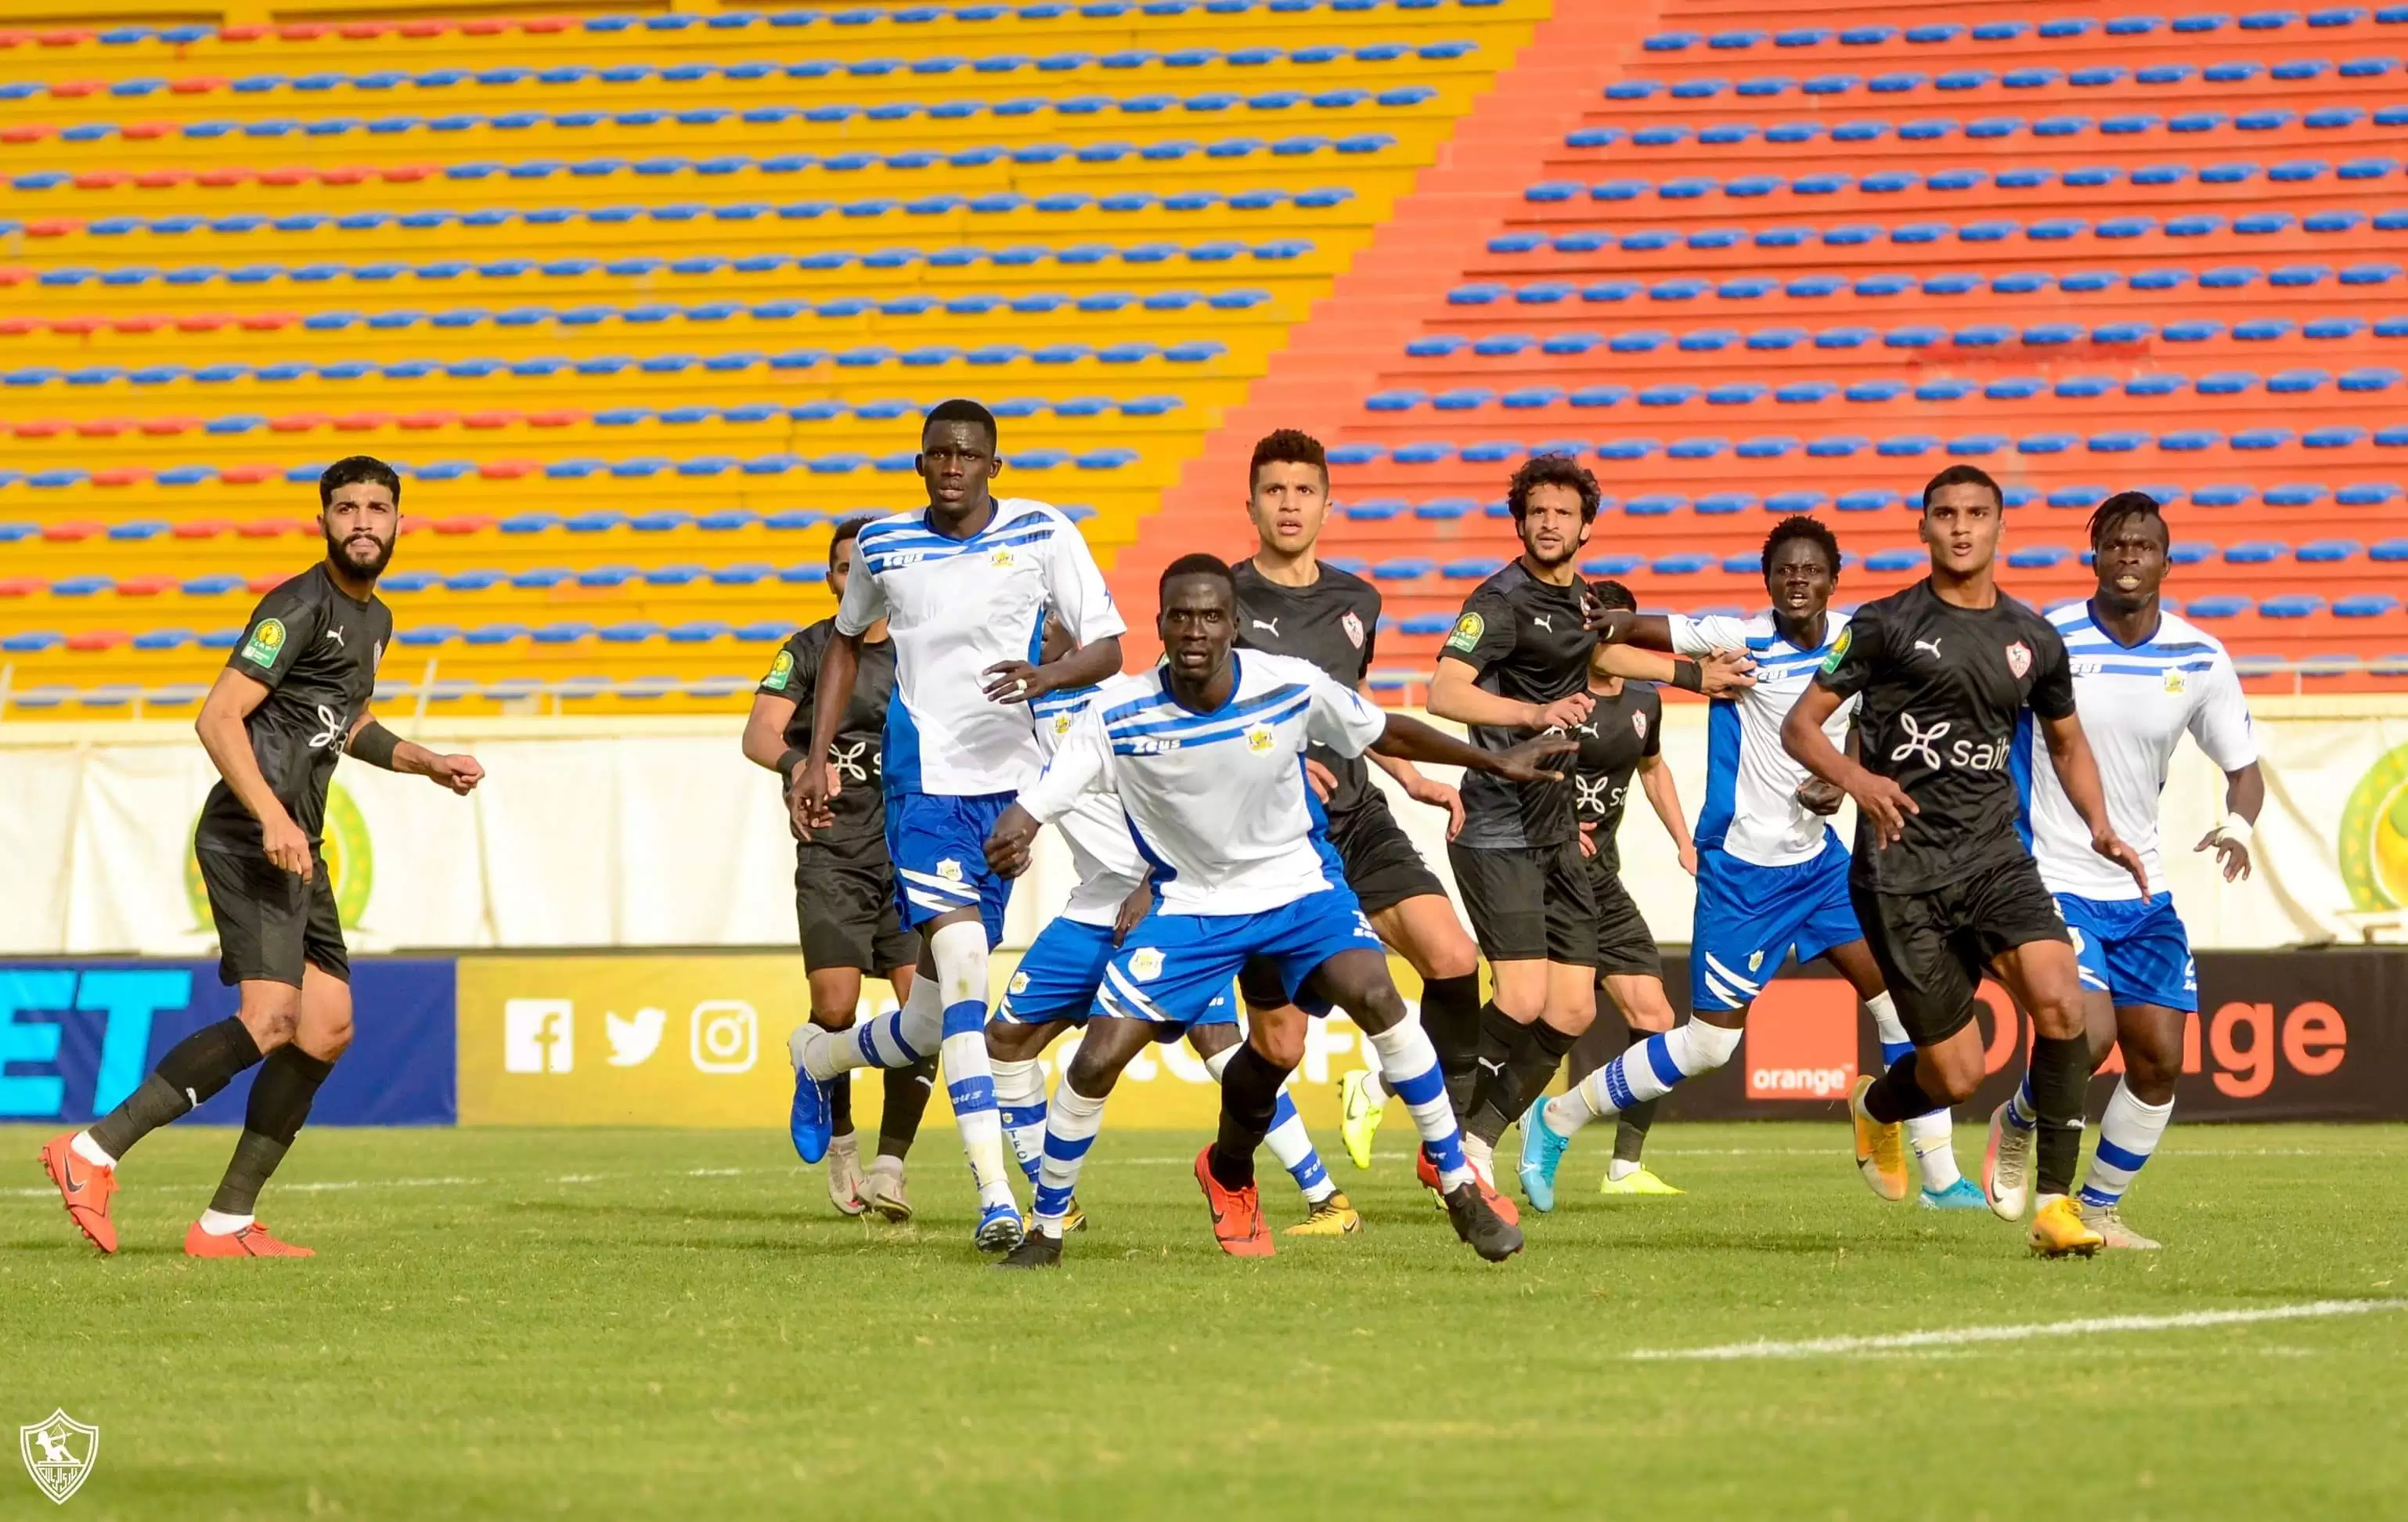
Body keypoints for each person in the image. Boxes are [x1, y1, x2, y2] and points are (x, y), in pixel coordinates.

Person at [982, 555, 1573, 1267]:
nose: (1195, 629)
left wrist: (1494, 763)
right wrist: (1016, 827)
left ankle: (1457, 1186)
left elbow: (1386, 730)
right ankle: (1047, 1227)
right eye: (1180, 616)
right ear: (1160, 625)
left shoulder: (1288, 686)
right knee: (1099, 1059)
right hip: (1193, 904)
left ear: (1233, 625)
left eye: (1210, 615)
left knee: (1378, 995)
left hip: (1298, 888)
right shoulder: (1119, 714)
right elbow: (1043, 795)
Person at [40, 455, 485, 1258]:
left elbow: (342, 723)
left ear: (398, 523)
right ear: (322, 520)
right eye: (344, 507)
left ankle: (225, 1222)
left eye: (376, 508)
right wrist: (274, 816)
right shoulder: (295, 606)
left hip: (298, 844)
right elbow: (218, 718)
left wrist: (426, 760)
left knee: (326, 1027)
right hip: (252, 834)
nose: (361, 521)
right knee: (271, 1017)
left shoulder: (374, 621)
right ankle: (91, 1152)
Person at [1524, 519, 1987, 1212]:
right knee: (1711, 1047)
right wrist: (1611, 618)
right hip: (1743, 873)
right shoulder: (1737, 640)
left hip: (1822, 867)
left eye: (1811, 570)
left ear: (1834, 578)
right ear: (1768, 579)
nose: (1798, 580)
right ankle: (1557, 1118)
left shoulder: (1855, 645)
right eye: (1785, 570)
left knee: (1902, 1002)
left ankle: (1937, 1174)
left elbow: (1868, 724)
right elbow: (1643, 631)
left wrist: (1843, 777)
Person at [1781, 464, 2147, 1258]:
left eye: (1975, 514)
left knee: (2063, 1005)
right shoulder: (1880, 626)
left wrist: (2099, 824)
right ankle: (1878, 1107)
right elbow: (1801, 728)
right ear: (1923, 527)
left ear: (1998, 527)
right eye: (1944, 513)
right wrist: (1857, 780)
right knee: (1955, 1077)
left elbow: (2066, 740)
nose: (1959, 527)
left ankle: (2056, 1207)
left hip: (1992, 858)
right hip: (1897, 874)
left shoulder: (2033, 639)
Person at [788, 399, 1127, 1255]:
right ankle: (995, 1201)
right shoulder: (885, 545)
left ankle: (820, 1058)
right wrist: (817, 755)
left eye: (968, 455)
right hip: (922, 791)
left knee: (937, 1022)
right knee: (969, 972)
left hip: (1011, 799)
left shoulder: (1046, 532)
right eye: (938, 453)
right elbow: (842, 641)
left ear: (992, 466)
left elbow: (1110, 650)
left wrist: (1046, 674)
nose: (952, 467)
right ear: (920, 464)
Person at [1426, 453, 1750, 1191]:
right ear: (1521, 520)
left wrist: (1698, 675)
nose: (1549, 523)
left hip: (1557, 833)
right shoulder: (1498, 600)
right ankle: (1411, 1097)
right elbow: (1443, 690)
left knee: (1570, 1011)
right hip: (1500, 824)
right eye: (1537, 511)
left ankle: (1475, 1143)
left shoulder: (1579, 605)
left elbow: (1604, 650)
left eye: (1562, 513)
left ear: (1586, 528)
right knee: (1522, 998)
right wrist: (1532, 712)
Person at [986, 622, 1354, 1238]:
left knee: (1221, 1048)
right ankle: (1053, 1202)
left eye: (1046, 624)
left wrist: (1151, 883)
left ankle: (1326, 1195)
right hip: (1090, 910)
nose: (1030, 633)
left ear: (1073, 641)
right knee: (1007, 1039)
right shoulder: (1017, 717)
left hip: (1173, 904)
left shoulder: (1121, 702)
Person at [1993, 490, 2263, 1249]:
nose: (2127, 558)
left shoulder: (2199, 656)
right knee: (2088, 1034)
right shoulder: (2048, 639)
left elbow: (2244, 768)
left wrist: (2239, 825)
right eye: (2113, 545)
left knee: (2159, 1060)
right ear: (2093, 558)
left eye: (2142, 546)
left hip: (2141, 886)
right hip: (2051, 871)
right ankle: (2020, 1123)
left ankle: (2099, 1208)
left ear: (2166, 563)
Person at [1222, 429, 1486, 1185]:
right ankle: (1228, 1169)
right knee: (1279, 1046)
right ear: (1251, 505)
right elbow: (1197, 721)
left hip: (1359, 822)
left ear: (1328, 505)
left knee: (1453, 957)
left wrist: (1411, 778)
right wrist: (1275, 756)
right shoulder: (1222, 601)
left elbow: (1353, 711)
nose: (1289, 504)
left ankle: (1448, 1153)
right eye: (1274, 490)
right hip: (1273, 842)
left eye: (1304, 490)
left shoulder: (1358, 600)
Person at [741, 515, 937, 1221]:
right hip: (833, 854)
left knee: (928, 1015)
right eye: (842, 567)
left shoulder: (923, 650)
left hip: (914, 857)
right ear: (830, 579)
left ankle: (891, 1168)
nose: (855, 578)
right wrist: (801, 763)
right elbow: (759, 731)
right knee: (835, 1010)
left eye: (868, 568)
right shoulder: (808, 649)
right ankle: (845, 1146)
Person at [1517, 580, 1693, 1206]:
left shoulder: (1644, 700)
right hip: (1549, 877)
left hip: (1604, 880)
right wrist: (1561, 829)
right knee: (1528, 1019)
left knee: (1656, 1017)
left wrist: (1684, 840)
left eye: (1615, 626)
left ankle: (1624, 1166)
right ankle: (1386, 1088)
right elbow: (1521, 772)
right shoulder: (1552, 698)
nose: (1605, 637)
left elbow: (1652, 766)